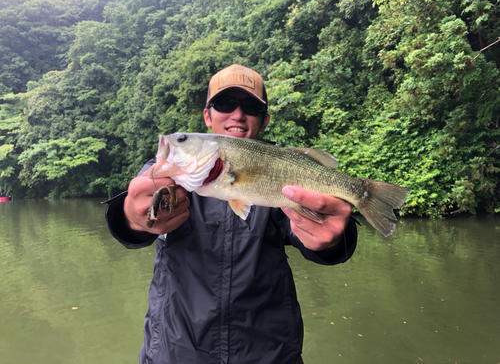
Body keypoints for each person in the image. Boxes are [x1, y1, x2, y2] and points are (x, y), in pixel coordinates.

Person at [104, 64, 358, 364]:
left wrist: (334, 239)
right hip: (175, 353)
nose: (237, 114)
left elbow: (320, 233)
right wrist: (131, 217)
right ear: (207, 116)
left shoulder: (280, 169)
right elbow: (133, 215)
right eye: (224, 104)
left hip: (269, 355)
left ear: (264, 121)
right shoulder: (170, 175)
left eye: (250, 106)